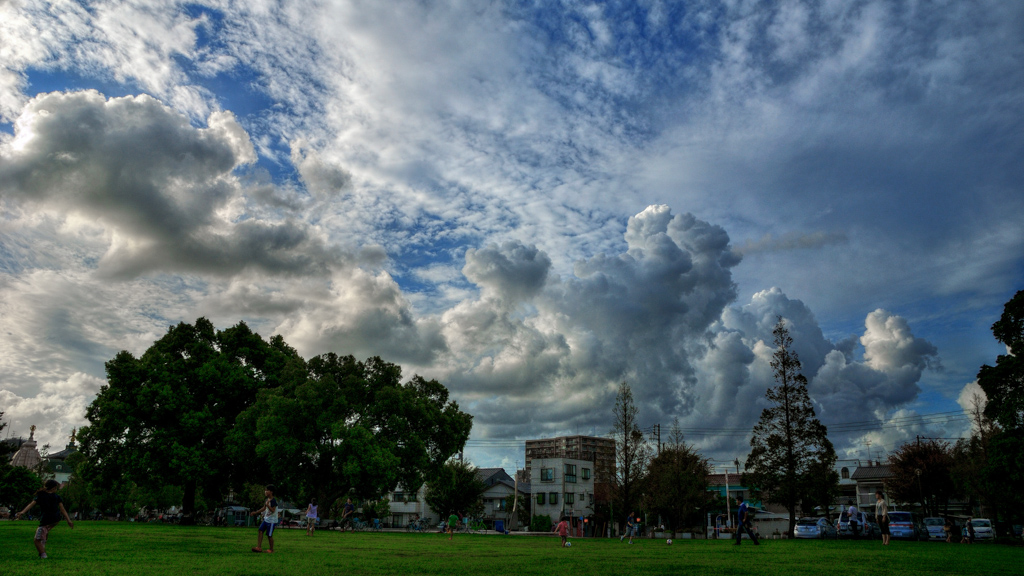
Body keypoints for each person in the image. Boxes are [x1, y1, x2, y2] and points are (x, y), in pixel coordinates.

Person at [15, 479, 74, 559]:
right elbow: (62, 509)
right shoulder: (57, 497)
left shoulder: (41, 495)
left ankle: (43, 554)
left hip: (46, 519)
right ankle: (43, 544)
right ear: (53, 488)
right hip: (56, 519)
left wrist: (22, 512)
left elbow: (31, 504)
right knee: (45, 532)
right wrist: (69, 521)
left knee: (36, 540)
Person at [249, 484, 279, 553]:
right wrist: (256, 512)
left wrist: (268, 505)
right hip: (266, 519)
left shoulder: (273, 501)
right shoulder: (267, 500)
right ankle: (258, 547)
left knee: (269, 535)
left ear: (271, 492)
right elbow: (264, 508)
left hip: (272, 521)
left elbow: (273, 510)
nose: (265, 492)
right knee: (260, 530)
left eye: (267, 490)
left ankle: (271, 549)